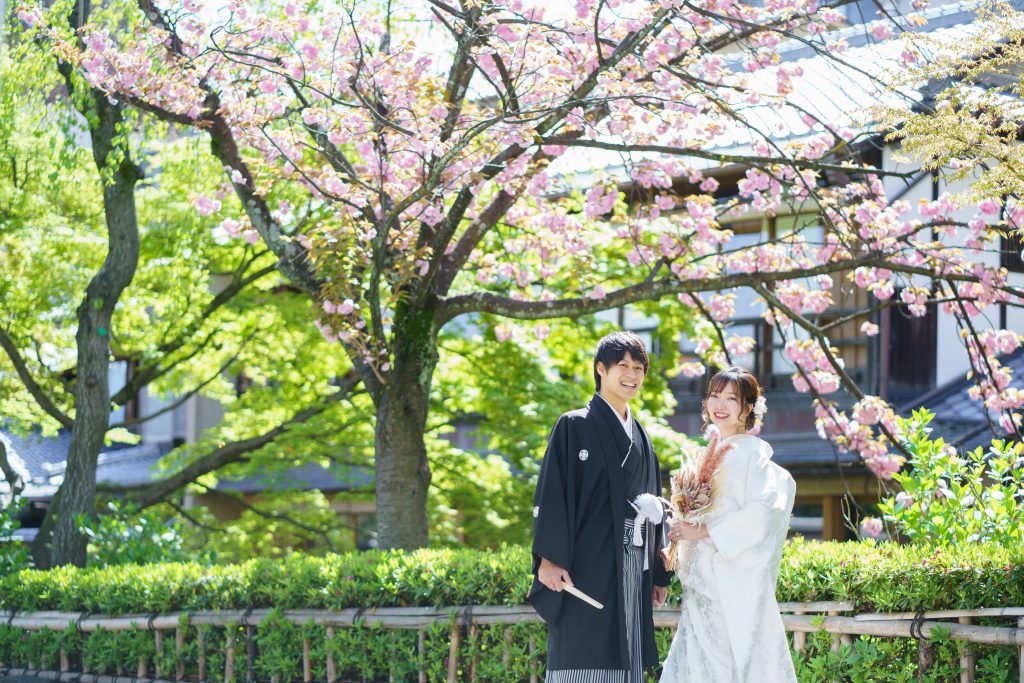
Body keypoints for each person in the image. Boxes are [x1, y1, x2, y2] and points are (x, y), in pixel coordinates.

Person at [530, 331, 672, 683]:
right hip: (586, 560)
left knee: (629, 649)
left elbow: (653, 502)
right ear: (600, 369)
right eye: (622, 365)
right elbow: (552, 493)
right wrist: (549, 559)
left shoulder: (641, 435)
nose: (632, 375)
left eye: (638, 367)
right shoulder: (574, 425)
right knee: (583, 643)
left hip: (633, 561)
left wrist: (657, 573)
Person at [659, 366, 797, 683]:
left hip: (730, 591)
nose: (719, 405)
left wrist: (705, 532)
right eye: (714, 396)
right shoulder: (703, 456)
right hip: (700, 591)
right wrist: (678, 544)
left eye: (730, 398)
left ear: (748, 408)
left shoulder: (754, 458)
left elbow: (765, 511)